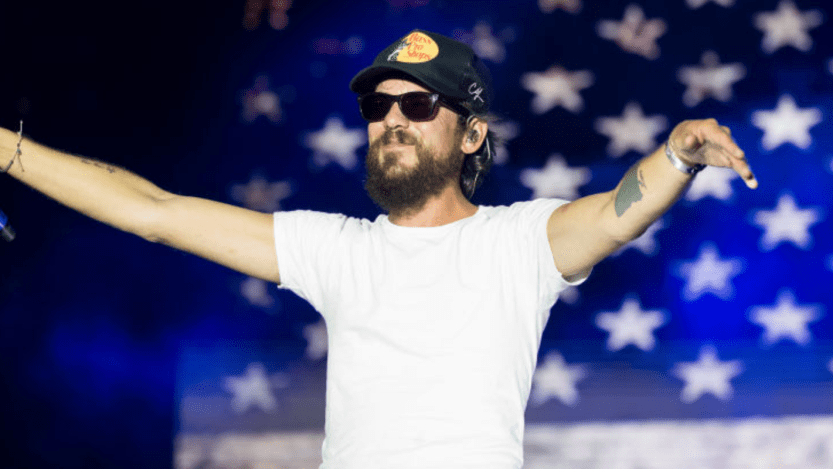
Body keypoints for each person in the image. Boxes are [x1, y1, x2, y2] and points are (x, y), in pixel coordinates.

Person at [0, 29, 756, 469]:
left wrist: (676, 156)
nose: (391, 119)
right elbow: (154, 211)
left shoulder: (516, 243)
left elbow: (616, 214)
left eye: (418, 104)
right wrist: (5, 150)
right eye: (377, 105)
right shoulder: (337, 249)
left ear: (470, 133)